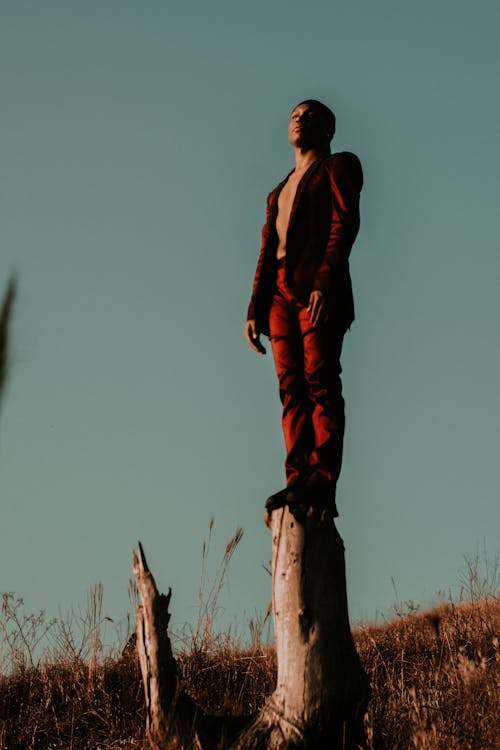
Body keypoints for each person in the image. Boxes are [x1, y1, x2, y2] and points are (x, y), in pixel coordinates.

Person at [244, 99, 363, 516]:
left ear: (329, 130)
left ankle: (322, 483)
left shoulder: (339, 166)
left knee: (320, 380)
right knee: (289, 386)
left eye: (309, 115)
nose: (299, 119)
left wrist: (325, 281)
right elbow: (267, 249)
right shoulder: (278, 190)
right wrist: (254, 307)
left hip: (316, 289)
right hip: (278, 293)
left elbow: (343, 226)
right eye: (294, 115)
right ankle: (297, 478)